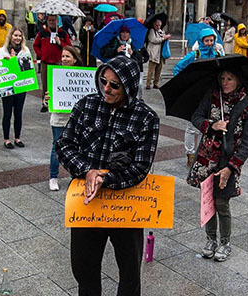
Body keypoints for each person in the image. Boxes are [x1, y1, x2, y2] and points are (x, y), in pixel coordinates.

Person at [56, 56, 160, 296]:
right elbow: (64, 144)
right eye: (103, 81)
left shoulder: (146, 118)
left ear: (129, 86)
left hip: (126, 205)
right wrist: (87, 170)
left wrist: (105, 178)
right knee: (84, 270)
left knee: (130, 274)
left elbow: (140, 167)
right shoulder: (86, 105)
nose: (106, 88)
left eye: (114, 85)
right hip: (86, 202)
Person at [187, 68, 248, 262]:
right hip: (207, 158)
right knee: (208, 201)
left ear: (238, 81)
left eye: (230, 79)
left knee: (222, 203)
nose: (225, 82)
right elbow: (196, 117)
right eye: (222, 78)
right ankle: (211, 239)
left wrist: (231, 167)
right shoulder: (212, 96)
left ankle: (225, 242)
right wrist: (212, 125)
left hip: (230, 162)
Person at [174, 30, 223, 166]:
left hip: (210, 95)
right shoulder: (194, 55)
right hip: (194, 95)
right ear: (201, 41)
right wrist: (185, 83)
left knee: (206, 125)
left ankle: (202, 152)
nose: (209, 43)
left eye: (212, 40)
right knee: (191, 126)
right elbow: (178, 68)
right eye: (206, 41)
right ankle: (190, 153)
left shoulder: (218, 55)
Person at [44, 46, 83, 191]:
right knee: (56, 147)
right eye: (63, 56)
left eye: (68, 56)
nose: (64, 59)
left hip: (75, 120)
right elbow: (48, 101)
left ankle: (75, 175)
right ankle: (53, 177)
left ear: (75, 59)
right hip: (59, 118)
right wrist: (46, 100)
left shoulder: (83, 75)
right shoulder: (55, 74)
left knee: (76, 148)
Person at [0, 26, 32, 149]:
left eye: (20, 36)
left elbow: (27, 67)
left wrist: (16, 60)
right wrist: (9, 61)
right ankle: (6, 139)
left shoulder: (25, 50)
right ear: (10, 36)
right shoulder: (3, 50)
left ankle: (17, 137)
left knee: (18, 112)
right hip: (7, 86)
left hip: (20, 85)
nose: (18, 38)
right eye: (15, 35)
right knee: (7, 113)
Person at [34, 14, 72, 112]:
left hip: (58, 62)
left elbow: (69, 47)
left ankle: (57, 101)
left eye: (53, 20)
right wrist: (41, 54)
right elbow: (35, 45)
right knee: (45, 84)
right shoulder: (42, 33)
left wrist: (60, 43)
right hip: (45, 62)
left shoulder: (62, 33)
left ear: (57, 21)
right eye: (50, 20)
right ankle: (45, 103)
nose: (51, 22)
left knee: (58, 84)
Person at [145, 19, 171, 89]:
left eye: (159, 25)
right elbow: (153, 40)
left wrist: (166, 37)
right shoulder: (152, 31)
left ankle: (156, 83)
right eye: (156, 25)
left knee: (158, 69)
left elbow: (163, 38)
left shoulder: (161, 31)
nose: (158, 27)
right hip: (153, 53)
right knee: (151, 70)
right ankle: (148, 83)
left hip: (160, 53)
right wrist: (163, 38)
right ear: (154, 25)